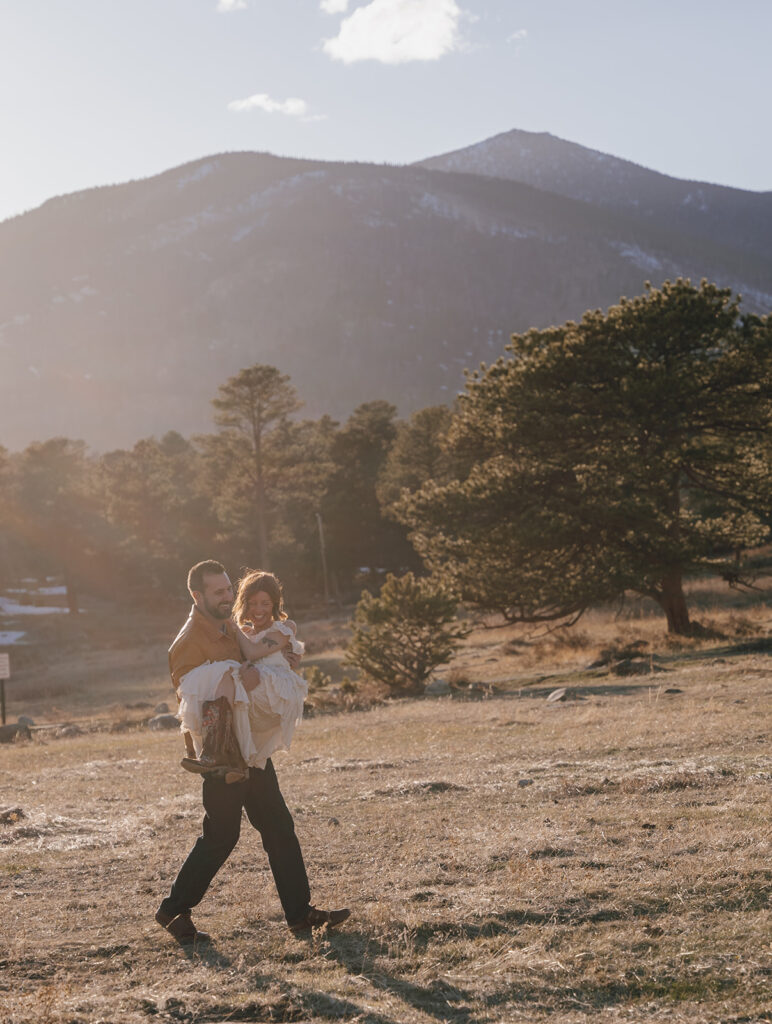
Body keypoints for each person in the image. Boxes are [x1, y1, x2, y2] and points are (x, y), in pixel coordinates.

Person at [155, 559, 350, 946]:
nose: (228, 597)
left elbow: (255, 655)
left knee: (279, 826)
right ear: (197, 596)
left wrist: (281, 663)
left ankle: (300, 914)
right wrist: (236, 678)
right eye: (219, 592)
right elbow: (189, 701)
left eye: (229, 589)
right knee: (221, 837)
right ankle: (172, 910)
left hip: (253, 750)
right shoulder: (188, 641)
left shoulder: (230, 626)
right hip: (222, 755)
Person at [176, 569, 308, 779]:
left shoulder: (285, 627)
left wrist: (232, 625)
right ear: (245, 604)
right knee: (223, 677)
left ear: (275, 604)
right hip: (257, 688)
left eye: (265, 604)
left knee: (224, 673)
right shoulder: (245, 633)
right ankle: (230, 760)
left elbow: (253, 652)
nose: (258, 610)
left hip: (277, 693)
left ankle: (214, 750)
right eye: (253, 603)